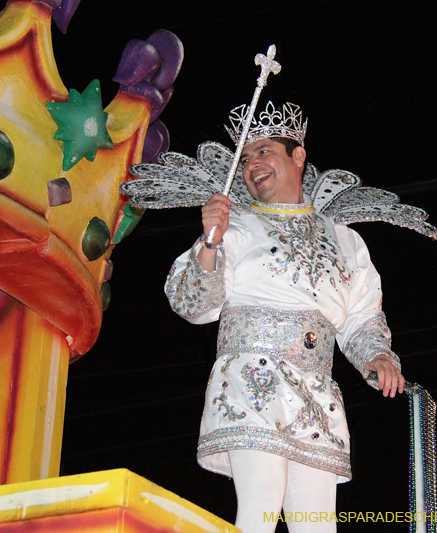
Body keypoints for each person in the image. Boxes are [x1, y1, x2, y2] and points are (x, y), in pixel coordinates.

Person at [164, 101, 404, 533]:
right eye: (247, 157)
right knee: (261, 500)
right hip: (251, 379)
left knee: (317, 522)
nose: (253, 164)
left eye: (264, 151)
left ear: (298, 156)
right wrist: (209, 243)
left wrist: (378, 357)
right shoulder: (235, 227)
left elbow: (361, 316)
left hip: (316, 391)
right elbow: (193, 304)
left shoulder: (344, 239)